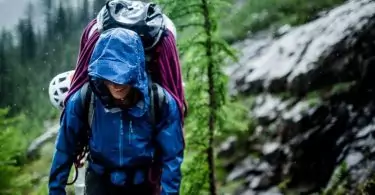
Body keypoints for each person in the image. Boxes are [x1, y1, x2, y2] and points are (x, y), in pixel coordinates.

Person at [48, 28, 184, 195]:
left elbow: (172, 158)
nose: (116, 83)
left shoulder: (160, 101)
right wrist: (56, 191)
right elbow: (64, 149)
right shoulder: (84, 99)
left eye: (123, 75)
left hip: (143, 186)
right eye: (109, 75)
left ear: (136, 71)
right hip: (99, 184)